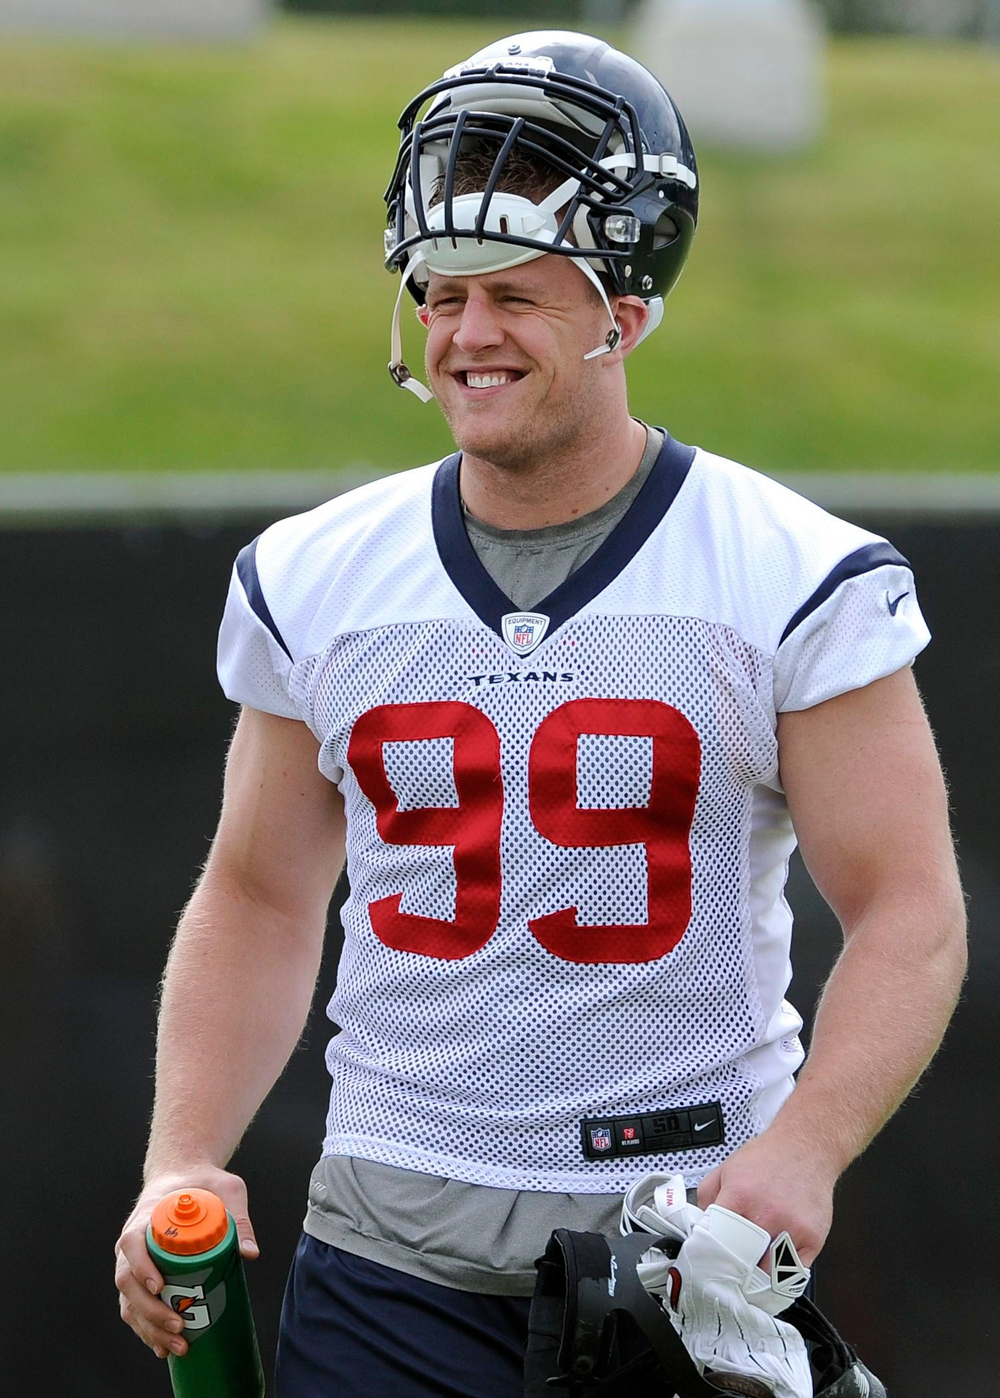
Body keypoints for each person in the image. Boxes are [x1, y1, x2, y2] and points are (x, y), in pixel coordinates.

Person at [114, 30, 966, 1397]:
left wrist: (803, 1150)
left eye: (514, 293)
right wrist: (178, 1153)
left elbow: (911, 907)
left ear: (623, 312)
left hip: (685, 1242)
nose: (466, 334)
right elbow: (261, 893)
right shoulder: (319, 576)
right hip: (387, 1238)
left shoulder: (789, 574)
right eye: (441, 293)